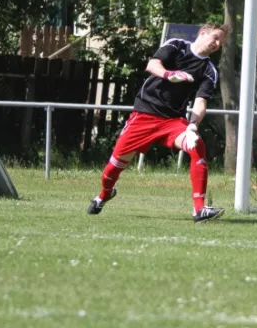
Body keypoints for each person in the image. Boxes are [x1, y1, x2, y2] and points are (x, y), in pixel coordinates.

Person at [87, 22, 231, 223]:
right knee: (113, 168)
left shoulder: (209, 70)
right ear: (203, 33)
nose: (217, 44)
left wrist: (192, 126)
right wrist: (169, 74)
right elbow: (152, 65)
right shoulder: (177, 46)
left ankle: (199, 210)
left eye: (221, 42)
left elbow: (200, 101)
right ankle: (104, 195)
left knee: (197, 144)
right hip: (144, 115)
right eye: (215, 38)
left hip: (172, 121)